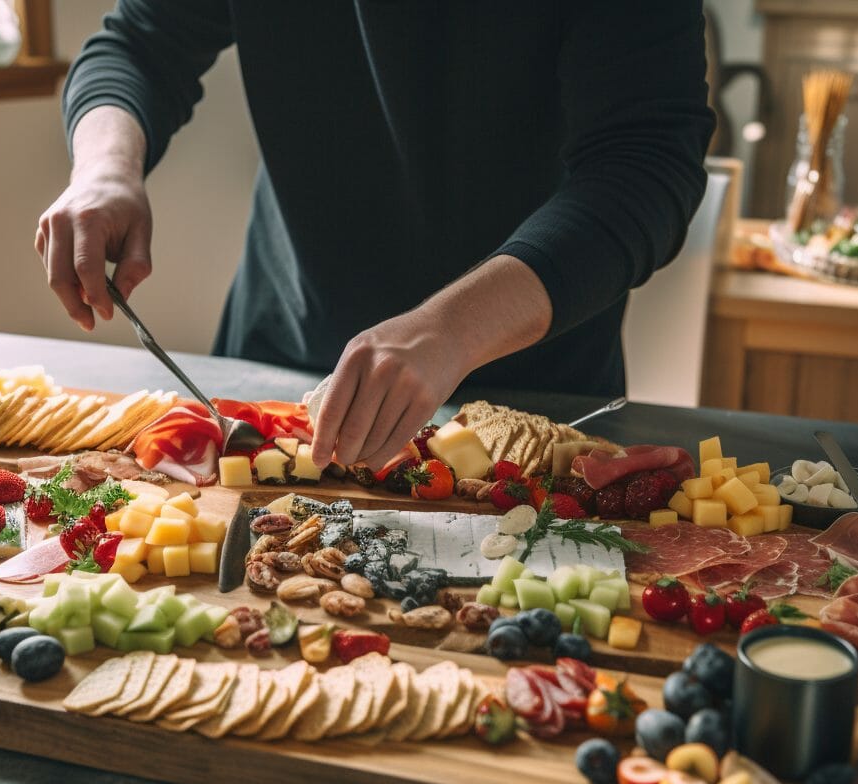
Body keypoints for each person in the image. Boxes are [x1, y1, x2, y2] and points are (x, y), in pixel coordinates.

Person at [36, 1, 714, 473]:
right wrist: (105, 170)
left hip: (532, 400)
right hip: (281, 358)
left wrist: (454, 329)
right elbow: (139, 44)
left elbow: (646, 167)